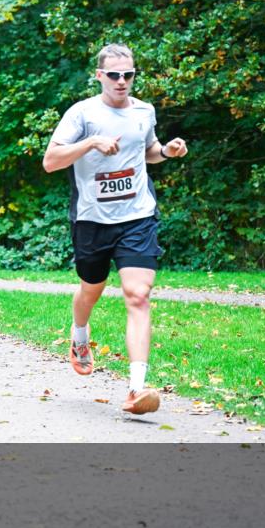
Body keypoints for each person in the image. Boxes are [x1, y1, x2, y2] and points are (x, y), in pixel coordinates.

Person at [42, 43, 188, 415]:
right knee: (91, 288)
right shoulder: (82, 113)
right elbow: (50, 161)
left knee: (138, 295)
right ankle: (79, 334)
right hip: (92, 219)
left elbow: (147, 150)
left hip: (137, 216)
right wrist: (91, 142)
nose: (122, 81)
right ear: (99, 76)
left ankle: (136, 390)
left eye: (128, 75)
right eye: (114, 75)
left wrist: (166, 152)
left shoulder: (144, 111)